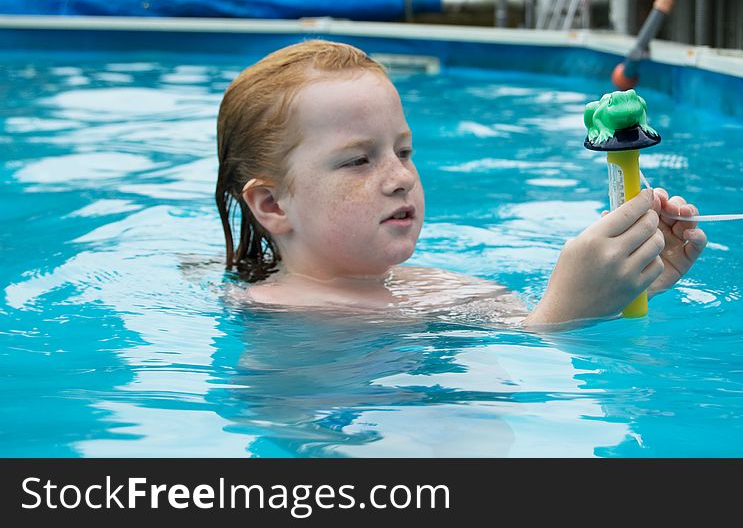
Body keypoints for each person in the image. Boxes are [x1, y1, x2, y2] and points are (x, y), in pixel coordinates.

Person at [215, 39, 706, 329]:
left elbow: (531, 339)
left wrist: (620, 291)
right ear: (273, 204)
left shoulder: (453, 292)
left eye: (404, 151)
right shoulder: (273, 318)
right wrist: (557, 317)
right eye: (359, 160)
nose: (400, 177)